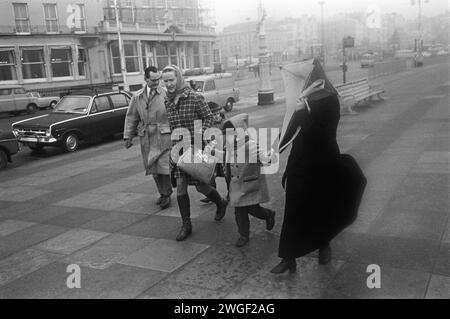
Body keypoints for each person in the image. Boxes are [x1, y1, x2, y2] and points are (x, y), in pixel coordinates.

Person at [270, 93, 341, 274]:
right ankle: (288, 258)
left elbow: (324, 132)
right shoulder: (302, 99)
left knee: (320, 208)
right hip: (299, 163)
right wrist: (276, 147)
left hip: (322, 163)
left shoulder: (330, 100)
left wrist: (303, 113)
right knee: (292, 209)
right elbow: (291, 131)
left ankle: (324, 246)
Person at [161, 64, 228, 242]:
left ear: (178, 78)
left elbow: (209, 118)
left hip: (196, 147)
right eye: (165, 80)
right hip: (178, 149)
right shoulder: (167, 100)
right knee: (181, 187)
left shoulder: (194, 97)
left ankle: (220, 202)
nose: (168, 84)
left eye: (171, 80)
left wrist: (200, 136)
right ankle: (186, 225)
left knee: (201, 186)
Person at [211, 113, 275, 247]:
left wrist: (269, 157)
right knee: (239, 210)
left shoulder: (249, 144)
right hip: (236, 185)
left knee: (252, 208)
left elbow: (262, 156)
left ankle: (268, 215)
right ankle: (243, 234)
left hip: (248, 183)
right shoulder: (230, 146)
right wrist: (214, 153)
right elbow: (226, 157)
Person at [123, 66, 172, 210]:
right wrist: (128, 136)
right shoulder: (137, 96)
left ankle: (167, 194)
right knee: (152, 167)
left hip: (163, 135)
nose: (157, 82)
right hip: (146, 137)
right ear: (145, 79)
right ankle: (162, 193)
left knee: (163, 167)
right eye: (153, 80)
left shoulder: (166, 94)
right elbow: (132, 117)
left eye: (158, 79)